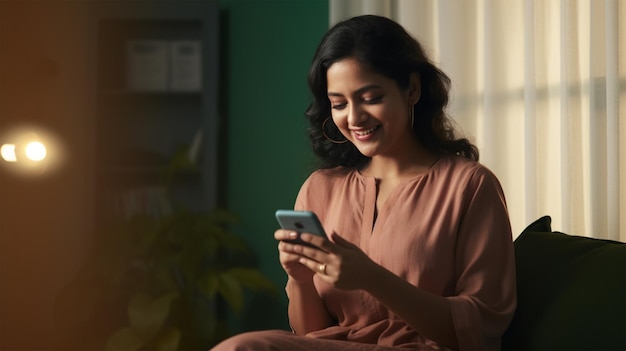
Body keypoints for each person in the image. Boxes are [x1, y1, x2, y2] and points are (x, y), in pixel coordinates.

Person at [211, 14, 516, 351]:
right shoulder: (320, 189)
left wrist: (371, 277)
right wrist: (300, 280)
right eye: (339, 104)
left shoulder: (469, 187)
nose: (353, 118)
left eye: (370, 98)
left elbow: (480, 331)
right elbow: (309, 333)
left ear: (412, 88)